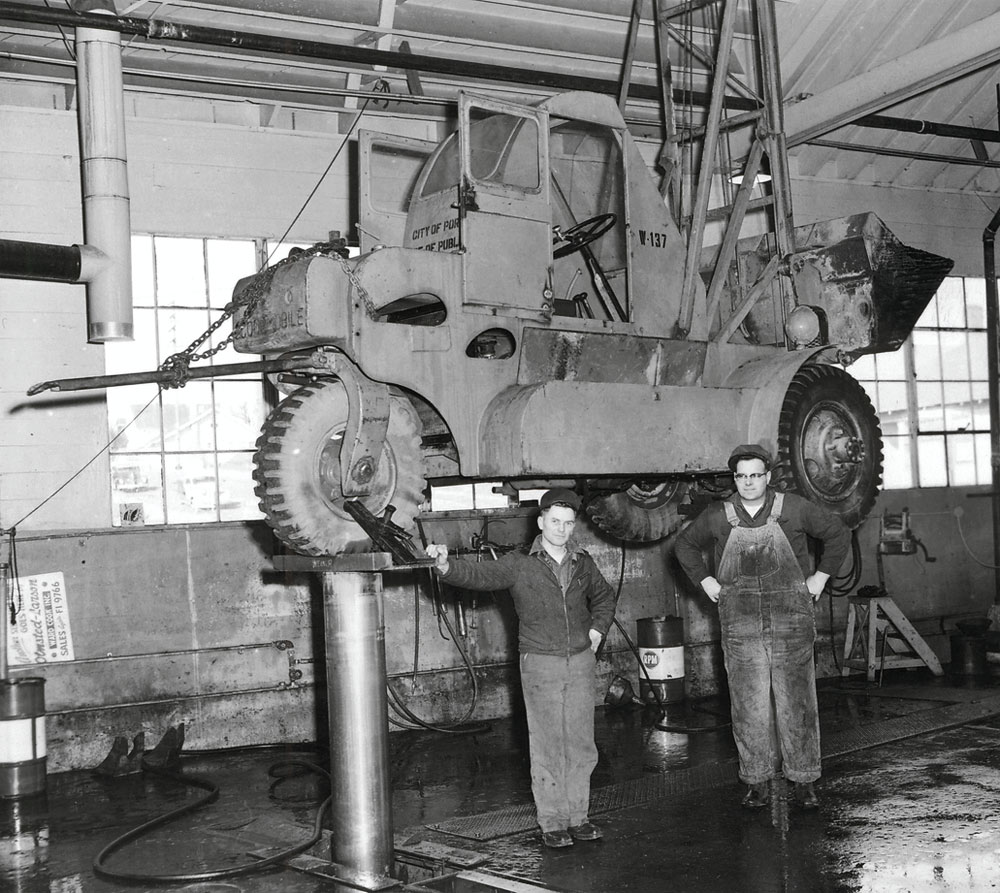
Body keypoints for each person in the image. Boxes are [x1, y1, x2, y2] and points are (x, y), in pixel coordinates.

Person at [424, 488, 616, 848]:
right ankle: (553, 822)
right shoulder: (519, 563)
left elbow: (604, 596)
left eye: (568, 523)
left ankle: (579, 817)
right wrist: (446, 566)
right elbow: (479, 575)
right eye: (555, 521)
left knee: (580, 743)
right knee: (548, 744)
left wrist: (596, 631)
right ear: (541, 522)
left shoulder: (582, 561)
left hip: (579, 661)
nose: (561, 529)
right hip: (540, 662)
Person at [674, 444, 850, 810]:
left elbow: (837, 533)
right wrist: (706, 582)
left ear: (767, 476)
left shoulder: (794, 508)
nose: (749, 482)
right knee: (747, 704)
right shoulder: (719, 515)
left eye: (755, 475)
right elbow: (685, 546)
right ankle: (756, 780)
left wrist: (820, 577)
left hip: (791, 619)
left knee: (797, 700)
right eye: (742, 476)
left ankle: (804, 779)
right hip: (740, 622)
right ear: (734, 478)